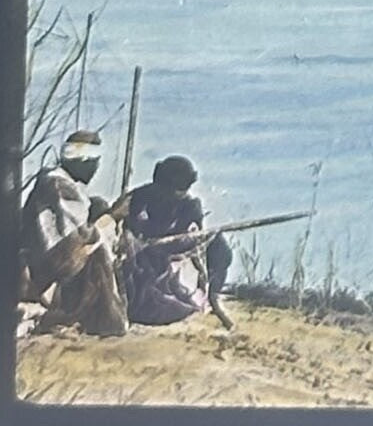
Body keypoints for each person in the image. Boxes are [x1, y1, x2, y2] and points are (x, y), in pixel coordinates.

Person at [19, 129, 128, 337]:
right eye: (94, 162)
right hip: (42, 275)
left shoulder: (55, 182)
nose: (96, 169)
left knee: (99, 208)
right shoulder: (59, 186)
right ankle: (100, 320)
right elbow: (74, 246)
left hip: (44, 268)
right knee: (97, 252)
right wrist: (112, 217)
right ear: (83, 161)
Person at [122, 155, 234, 329]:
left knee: (219, 247)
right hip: (141, 258)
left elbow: (188, 238)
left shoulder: (190, 205)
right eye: (177, 188)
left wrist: (192, 237)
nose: (181, 193)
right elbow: (127, 225)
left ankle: (213, 297)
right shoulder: (139, 198)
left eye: (185, 187)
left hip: (175, 255)